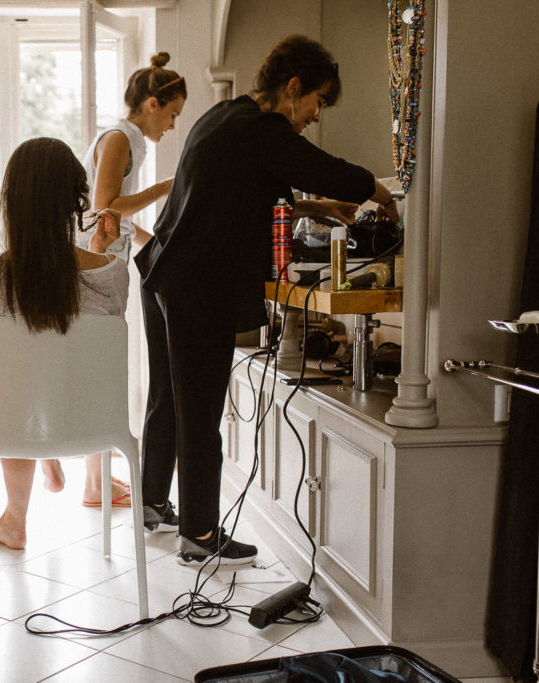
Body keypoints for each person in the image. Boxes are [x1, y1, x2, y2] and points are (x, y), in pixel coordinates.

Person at [133, 36, 401, 566]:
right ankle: (201, 535)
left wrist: (316, 205)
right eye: (316, 102)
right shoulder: (262, 130)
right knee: (201, 406)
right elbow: (318, 164)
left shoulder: (225, 118)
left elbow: (244, 187)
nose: (314, 116)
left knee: (169, 394)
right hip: (196, 284)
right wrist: (379, 190)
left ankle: (153, 502)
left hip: (164, 272)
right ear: (293, 87)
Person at [0, 136, 128, 550]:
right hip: (89, 424)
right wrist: (98, 252)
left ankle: (14, 518)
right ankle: (47, 452)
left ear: (10, 202)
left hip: (12, 423)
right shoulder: (113, 272)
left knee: (8, 381)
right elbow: (100, 361)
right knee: (60, 363)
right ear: (77, 203)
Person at [73, 51, 187, 511]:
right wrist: (168, 187)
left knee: (102, 368)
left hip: (104, 259)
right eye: (173, 114)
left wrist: (155, 241)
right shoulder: (122, 136)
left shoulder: (131, 140)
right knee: (99, 369)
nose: (173, 127)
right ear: (153, 103)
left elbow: (118, 219)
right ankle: (93, 484)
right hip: (91, 265)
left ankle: (96, 481)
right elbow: (105, 206)